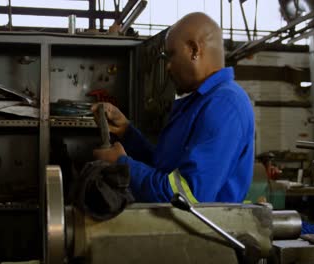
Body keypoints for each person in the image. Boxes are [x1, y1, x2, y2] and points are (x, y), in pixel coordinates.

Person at [92, 12, 254, 203]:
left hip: (202, 231)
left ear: (194, 49)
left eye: (171, 56)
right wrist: (127, 132)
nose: (167, 67)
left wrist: (122, 164)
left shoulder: (224, 105)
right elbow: (164, 167)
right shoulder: (199, 102)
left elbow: (188, 195)